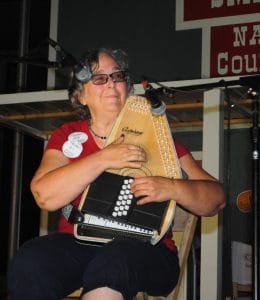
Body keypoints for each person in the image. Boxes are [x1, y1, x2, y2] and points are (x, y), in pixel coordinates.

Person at [8, 47, 225, 300]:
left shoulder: (159, 138)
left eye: (117, 76)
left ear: (128, 88)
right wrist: (102, 158)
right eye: (99, 78)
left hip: (148, 252)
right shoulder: (67, 135)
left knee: (114, 261)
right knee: (32, 260)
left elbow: (216, 198)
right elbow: (45, 196)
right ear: (80, 97)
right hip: (80, 244)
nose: (111, 83)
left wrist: (172, 187)